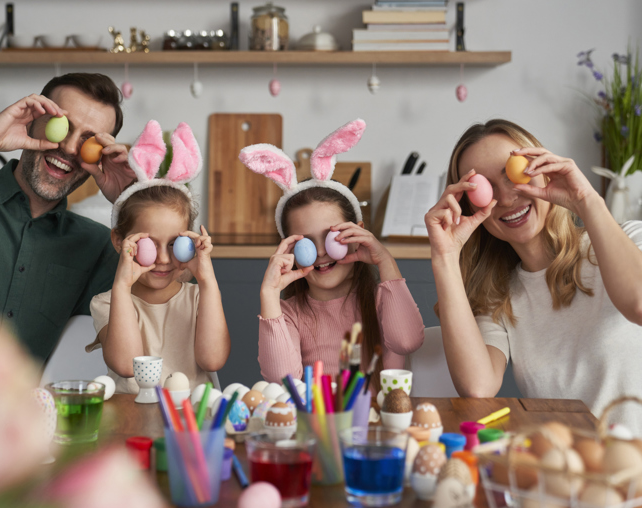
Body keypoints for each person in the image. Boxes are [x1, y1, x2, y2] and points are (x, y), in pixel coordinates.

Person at [425, 118, 642, 430]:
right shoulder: (499, 296)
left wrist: (586, 199)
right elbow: (477, 386)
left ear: (544, 171)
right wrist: (444, 255)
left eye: (515, 174)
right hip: (564, 469)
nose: (508, 198)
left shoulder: (630, 239)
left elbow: (638, 303)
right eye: (484, 189)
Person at [0, 72, 135, 363]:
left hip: (27, 409)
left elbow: (174, 301)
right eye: (62, 126)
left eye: (88, 141)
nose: (70, 148)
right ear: (32, 121)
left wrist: (133, 200)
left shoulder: (97, 246)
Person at [240, 119, 425, 393]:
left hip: (375, 429)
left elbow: (408, 341)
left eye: (330, 236)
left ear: (357, 234)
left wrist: (385, 260)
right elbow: (282, 381)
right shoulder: (289, 314)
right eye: (306, 244)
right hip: (317, 429)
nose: (322, 252)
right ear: (288, 249)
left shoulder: (380, 300)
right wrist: (269, 295)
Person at [86, 120, 230, 393]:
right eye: (149, 245)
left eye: (176, 244)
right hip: (133, 422)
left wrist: (207, 279)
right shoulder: (108, 302)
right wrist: (122, 285)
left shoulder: (199, 298)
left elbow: (213, 360)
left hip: (191, 422)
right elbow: (127, 366)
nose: (163, 259)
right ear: (120, 240)